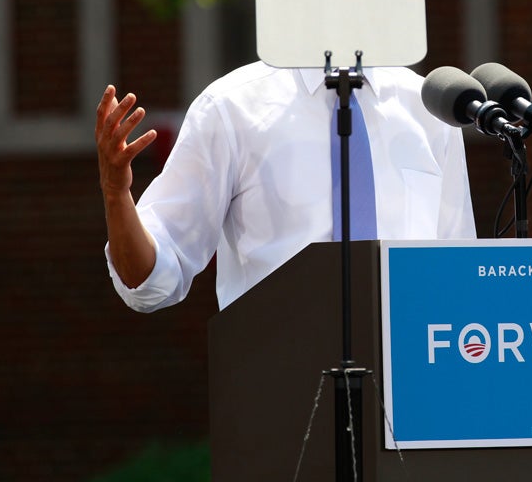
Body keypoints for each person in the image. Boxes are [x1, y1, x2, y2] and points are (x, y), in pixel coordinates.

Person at [96, 61, 477, 312]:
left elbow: (461, 281)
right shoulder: (231, 107)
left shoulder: (430, 105)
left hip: (415, 388)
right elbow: (150, 280)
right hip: (280, 386)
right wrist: (116, 196)